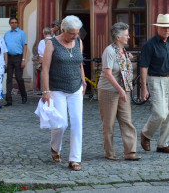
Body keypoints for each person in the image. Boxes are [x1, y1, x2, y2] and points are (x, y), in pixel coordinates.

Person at [40, 16, 86, 171]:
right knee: (61, 123)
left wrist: (83, 80)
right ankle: (55, 147)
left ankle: (74, 159)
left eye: (77, 33)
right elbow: (45, 68)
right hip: (57, 88)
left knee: (77, 122)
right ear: (63, 30)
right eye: (72, 33)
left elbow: (79, 63)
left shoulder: (79, 42)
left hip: (76, 87)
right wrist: (45, 91)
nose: (75, 36)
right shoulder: (51, 43)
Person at [139, 14, 169, 154]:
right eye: (163, 27)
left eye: (168, 28)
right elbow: (144, 66)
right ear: (158, 27)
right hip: (156, 79)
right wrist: (144, 87)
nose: (166, 30)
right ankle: (146, 134)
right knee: (160, 113)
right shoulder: (150, 44)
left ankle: (162, 144)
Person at [97, 22, 141, 161]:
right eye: (126, 35)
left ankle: (130, 152)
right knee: (109, 123)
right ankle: (109, 152)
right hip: (108, 91)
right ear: (118, 37)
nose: (128, 37)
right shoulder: (109, 51)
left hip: (123, 90)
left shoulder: (124, 52)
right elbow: (108, 74)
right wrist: (120, 90)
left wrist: (123, 90)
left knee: (127, 121)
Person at [4, 17, 28, 105]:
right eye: (12, 22)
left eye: (15, 22)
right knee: (9, 79)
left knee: (19, 78)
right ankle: (8, 100)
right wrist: (5, 61)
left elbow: (25, 47)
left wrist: (23, 60)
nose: (14, 24)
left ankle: (24, 96)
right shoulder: (6, 34)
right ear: (10, 24)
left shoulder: (22, 33)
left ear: (17, 23)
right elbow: (4, 48)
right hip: (9, 58)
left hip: (18, 57)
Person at [35, 27, 54, 92]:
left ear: (44, 33)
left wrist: (40, 64)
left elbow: (41, 55)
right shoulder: (55, 41)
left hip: (45, 64)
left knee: (45, 80)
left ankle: (45, 92)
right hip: (55, 63)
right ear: (51, 33)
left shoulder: (42, 42)